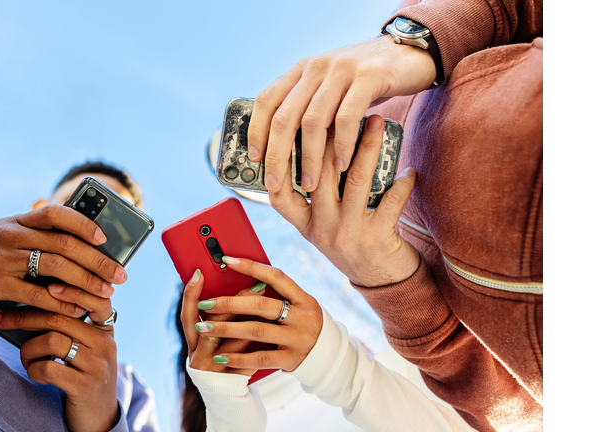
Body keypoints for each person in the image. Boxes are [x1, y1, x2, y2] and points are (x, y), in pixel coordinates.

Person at [247, 0, 543, 431]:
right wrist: (389, 284)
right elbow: (513, 414)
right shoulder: (378, 242)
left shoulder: (414, 55)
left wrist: (417, 40)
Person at [176, 117, 476, 432]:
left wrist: (332, 361)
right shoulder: (378, 370)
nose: (247, 305)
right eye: (221, 310)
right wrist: (227, 406)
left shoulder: (397, 368)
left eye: (255, 291)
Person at [0, 160, 160, 432]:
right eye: (75, 201)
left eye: (116, 232)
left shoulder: (126, 386)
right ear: (40, 209)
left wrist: (105, 422)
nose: (91, 231)